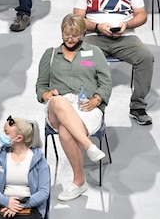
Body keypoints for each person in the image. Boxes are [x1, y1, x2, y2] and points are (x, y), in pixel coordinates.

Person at [35, 14, 110, 201]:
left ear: (83, 34)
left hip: (87, 107)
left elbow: (106, 83)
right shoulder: (50, 54)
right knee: (59, 102)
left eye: (74, 35)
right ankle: (89, 146)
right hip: (57, 107)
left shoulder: (94, 53)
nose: (70, 39)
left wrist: (96, 100)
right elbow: (41, 87)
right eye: (66, 34)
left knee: (65, 132)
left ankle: (79, 182)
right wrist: (47, 95)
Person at [73, 0, 154, 125]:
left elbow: (142, 16)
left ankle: (137, 106)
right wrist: (97, 27)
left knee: (146, 58)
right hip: (95, 37)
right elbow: (77, 19)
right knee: (82, 60)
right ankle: (90, 102)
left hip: (125, 37)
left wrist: (127, 24)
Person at [0, 116, 50, 218]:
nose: (2, 134)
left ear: (19, 138)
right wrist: (6, 202)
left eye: (6, 133)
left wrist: (20, 205)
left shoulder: (39, 160)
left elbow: (44, 192)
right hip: (3, 204)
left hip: (30, 205)